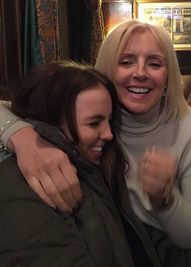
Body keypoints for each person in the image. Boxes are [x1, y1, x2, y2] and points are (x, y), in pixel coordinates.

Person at [0, 20, 191, 250]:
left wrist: (165, 201)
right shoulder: (89, 111)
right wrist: (23, 138)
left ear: (168, 76)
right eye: (126, 62)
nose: (141, 73)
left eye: (154, 64)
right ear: (107, 70)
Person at [0, 61, 160, 267]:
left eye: (110, 121)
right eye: (94, 123)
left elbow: (142, 245)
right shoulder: (22, 187)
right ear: (52, 118)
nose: (109, 134)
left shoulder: (95, 171)